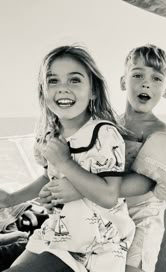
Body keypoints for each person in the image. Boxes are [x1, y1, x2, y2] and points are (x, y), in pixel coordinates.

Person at [40, 44, 166, 272]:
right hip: (113, 207)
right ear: (124, 82)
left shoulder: (159, 130)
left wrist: (81, 189)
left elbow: (147, 182)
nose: (145, 83)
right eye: (138, 75)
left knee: (133, 265)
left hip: (144, 212)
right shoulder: (111, 126)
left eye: (156, 78)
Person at [0, 45, 135, 272]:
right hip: (56, 232)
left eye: (74, 80)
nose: (63, 88)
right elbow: (48, 178)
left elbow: (109, 195)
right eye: (53, 81)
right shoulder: (52, 135)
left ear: (93, 91)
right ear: (44, 92)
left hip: (96, 244)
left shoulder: (103, 133)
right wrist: (11, 199)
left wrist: (66, 163)